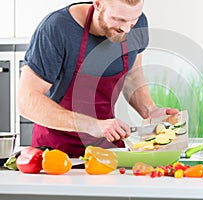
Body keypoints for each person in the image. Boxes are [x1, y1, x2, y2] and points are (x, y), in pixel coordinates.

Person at [17, 0, 178, 158]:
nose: (126, 28)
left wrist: (150, 111)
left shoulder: (138, 23)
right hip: (55, 151)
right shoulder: (57, 28)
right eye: (119, 19)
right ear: (98, 4)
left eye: (133, 21)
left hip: (108, 149)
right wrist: (92, 125)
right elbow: (26, 101)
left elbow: (133, 76)